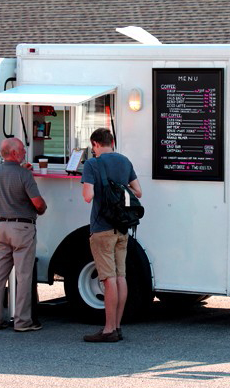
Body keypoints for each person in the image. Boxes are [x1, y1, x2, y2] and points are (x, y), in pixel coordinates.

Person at [81, 128, 142, 343]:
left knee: (108, 279)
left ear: (95, 144)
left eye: (93, 147)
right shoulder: (125, 161)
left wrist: (100, 189)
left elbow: (88, 196)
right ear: (112, 142)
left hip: (101, 228)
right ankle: (117, 326)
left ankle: (108, 329)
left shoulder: (91, 164)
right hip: (122, 228)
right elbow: (138, 192)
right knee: (120, 277)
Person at [0, 138, 47, 332]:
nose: (24, 152)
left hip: (2, 227)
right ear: (13, 153)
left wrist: (24, 171)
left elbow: (10, 185)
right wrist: (42, 208)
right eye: (21, 150)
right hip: (22, 228)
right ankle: (22, 321)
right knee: (23, 276)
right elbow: (38, 203)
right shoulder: (24, 175)